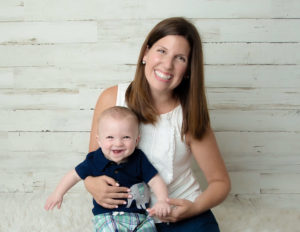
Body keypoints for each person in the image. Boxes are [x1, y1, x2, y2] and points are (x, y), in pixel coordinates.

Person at [85, 17, 231, 232]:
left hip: (179, 216)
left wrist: (192, 208)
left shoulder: (189, 114)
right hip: (127, 218)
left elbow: (220, 182)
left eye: (180, 58)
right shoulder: (111, 98)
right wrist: (91, 184)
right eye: (161, 51)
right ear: (146, 53)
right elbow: (92, 164)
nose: (167, 64)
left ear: (188, 69)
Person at [44, 106, 171, 232]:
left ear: (137, 140)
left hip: (139, 217)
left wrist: (162, 201)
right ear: (99, 140)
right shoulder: (94, 159)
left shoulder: (139, 159)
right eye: (110, 137)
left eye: (126, 137)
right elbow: (74, 175)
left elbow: (155, 180)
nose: (118, 143)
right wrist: (58, 193)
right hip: (107, 217)